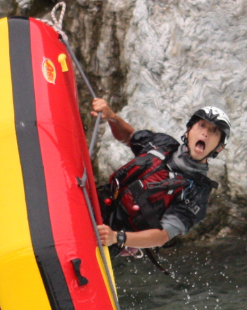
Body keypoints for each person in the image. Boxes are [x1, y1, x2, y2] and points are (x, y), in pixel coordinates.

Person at [90, 98, 230, 253]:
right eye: (202, 125)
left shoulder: (196, 193)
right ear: (189, 130)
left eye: (214, 131)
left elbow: (163, 235)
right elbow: (129, 137)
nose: (205, 133)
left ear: (219, 148)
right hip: (94, 202)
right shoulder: (162, 143)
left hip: (112, 235)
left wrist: (117, 237)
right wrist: (112, 117)